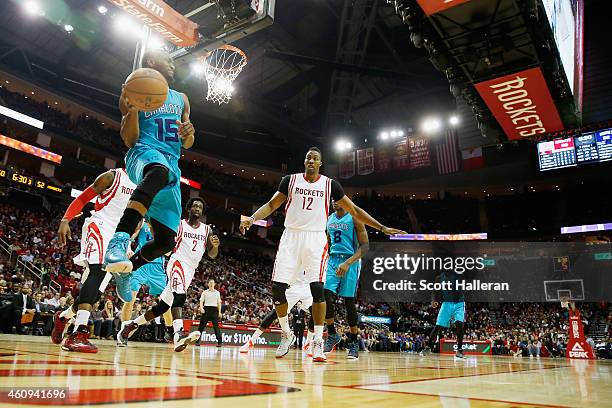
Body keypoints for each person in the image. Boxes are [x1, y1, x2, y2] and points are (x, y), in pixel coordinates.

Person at [239, 147, 405, 362]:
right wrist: (252, 219)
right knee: (278, 289)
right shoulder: (289, 181)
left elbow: (355, 210)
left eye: (315, 158)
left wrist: (382, 228)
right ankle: (286, 333)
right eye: (308, 157)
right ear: (304, 161)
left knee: (318, 288)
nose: (311, 160)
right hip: (291, 236)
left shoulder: (330, 185)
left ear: (320, 163)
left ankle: (318, 341)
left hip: (315, 238)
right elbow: (272, 205)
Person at [104, 49, 195, 276]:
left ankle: (127, 270)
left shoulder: (181, 98)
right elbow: (129, 139)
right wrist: (133, 108)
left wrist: (189, 132)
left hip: (172, 164)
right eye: (168, 59)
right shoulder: (132, 90)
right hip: (145, 153)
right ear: (152, 62)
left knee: (166, 242)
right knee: (158, 172)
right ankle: (119, 240)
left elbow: (188, 143)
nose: (173, 64)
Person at [117, 198, 219, 352]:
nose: (197, 208)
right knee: (180, 296)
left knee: (162, 307)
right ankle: (178, 334)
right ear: (189, 209)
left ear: (202, 211)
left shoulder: (207, 230)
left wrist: (215, 247)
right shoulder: (180, 225)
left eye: (200, 206)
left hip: (190, 269)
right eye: (194, 205)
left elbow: (212, 254)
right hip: (177, 262)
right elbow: (167, 242)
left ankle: (130, 326)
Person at [52, 168, 135, 353]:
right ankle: (78, 333)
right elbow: (82, 198)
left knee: (95, 295)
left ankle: (63, 317)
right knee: (96, 272)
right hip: (99, 227)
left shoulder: (144, 186)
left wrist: (128, 245)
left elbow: (136, 220)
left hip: (119, 238)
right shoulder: (112, 176)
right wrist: (66, 219)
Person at [115, 220, 173, 346]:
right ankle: (123, 332)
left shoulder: (165, 226)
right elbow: (130, 237)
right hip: (140, 262)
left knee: (166, 301)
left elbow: (168, 251)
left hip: (157, 267)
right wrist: (129, 248)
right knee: (130, 297)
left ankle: (170, 331)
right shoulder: (142, 222)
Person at [323, 200, 369, 360]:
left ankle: (354, 343)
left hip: (351, 260)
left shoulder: (354, 217)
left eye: (337, 199)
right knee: (324, 295)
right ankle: (332, 334)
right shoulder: (329, 218)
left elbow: (365, 247)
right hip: (333, 260)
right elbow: (327, 241)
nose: (334, 202)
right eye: (332, 199)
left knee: (349, 301)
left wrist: (347, 263)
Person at [239, 271, 314, 355]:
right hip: (293, 286)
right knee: (275, 313)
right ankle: (251, 342)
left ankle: (308, 343)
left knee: (316, 313)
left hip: (308, 287)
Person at [196, 279, 222, 347]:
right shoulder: (205, 292)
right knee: (201, 326)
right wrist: (201, 308)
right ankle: (197, 341)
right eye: (210, 283)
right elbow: (201, 301)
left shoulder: (217, 293)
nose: (211, 284)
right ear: (208, 284)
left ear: (214, 284)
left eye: (212, 283)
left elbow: (219, 303)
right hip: (206, 309)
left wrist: (219, 312)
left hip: (214, 310)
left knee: (216, 327)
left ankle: (220, 342)